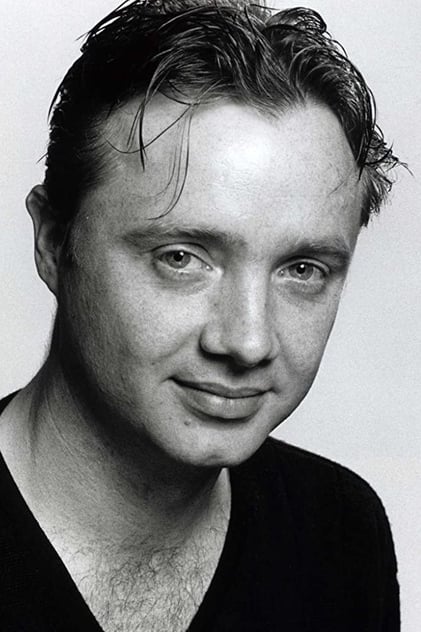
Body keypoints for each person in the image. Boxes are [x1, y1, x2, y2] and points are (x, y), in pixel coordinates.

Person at [0, 1, 401, 630]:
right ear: (54, 243)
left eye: (302, 269)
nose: (248, 341)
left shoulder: (341, 532)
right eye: (181, 258)